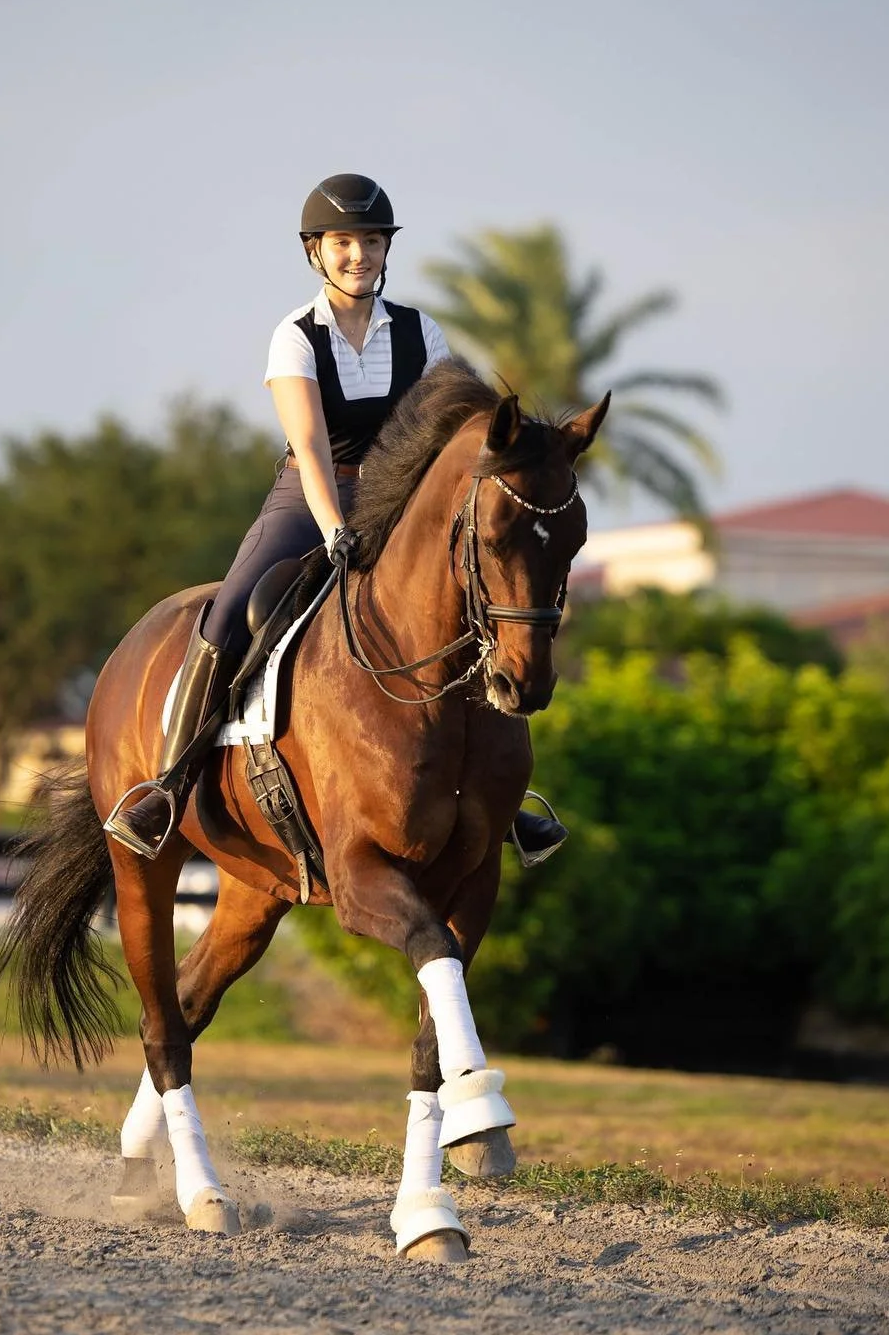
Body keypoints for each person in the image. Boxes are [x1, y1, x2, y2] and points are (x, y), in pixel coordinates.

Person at [106, 173, 567, 866]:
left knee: (472, 604)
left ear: (387, 250)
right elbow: (315, 450)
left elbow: (458, 435)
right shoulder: (293, 337)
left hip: (399, 502)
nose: (360, 255)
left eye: (372, 241)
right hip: (308, 500)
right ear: (316, 252)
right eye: (344, 242)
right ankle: (164, 786)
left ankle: (503, 803)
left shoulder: (421, 332)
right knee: (230, 615)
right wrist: (331, 529)